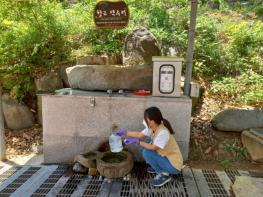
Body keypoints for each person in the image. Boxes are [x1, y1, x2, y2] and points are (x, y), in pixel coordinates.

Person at [115, 106, 183, 187]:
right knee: (147, 149)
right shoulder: (152, 127)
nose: (144, 121)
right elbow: (139, 135)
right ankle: (159, 167)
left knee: (146, 152)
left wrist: (138, 142)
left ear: (152, 121)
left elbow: (153, 147)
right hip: (166, 158)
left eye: (146, 119)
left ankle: (164, 174)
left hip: (174, 166)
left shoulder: (163, 132)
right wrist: (125, 132)